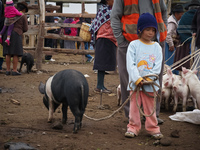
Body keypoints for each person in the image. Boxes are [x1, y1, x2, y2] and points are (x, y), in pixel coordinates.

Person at [110, 0, 167, 124]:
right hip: (129, 42)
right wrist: (121, 40)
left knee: (154, 78)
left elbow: (163, 11)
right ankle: (131, 116)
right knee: (129, 78)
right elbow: (114, 16)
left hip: (154, 43)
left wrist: (163, 31)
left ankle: (152, 115)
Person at [125, 13, 163, 139]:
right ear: (140, 30)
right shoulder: (133, 45)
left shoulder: (157, 47)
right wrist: (137, 79)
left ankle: (153, 128)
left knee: (149, 107)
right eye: (147, 29)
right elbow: (131, 64)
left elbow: (157, 65)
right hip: (136, 84)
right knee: (134, 107)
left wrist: (149, 79)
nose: (151, 33)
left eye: (153, 30)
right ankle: (133, 127)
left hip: (149, 85)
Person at [89, 0, 116, 93]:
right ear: (107, 1)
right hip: (104, 38)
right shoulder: (105, 10)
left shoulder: (111, 10)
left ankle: (101, 86)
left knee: (103, 63)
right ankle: (99, 86)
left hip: (108, 39)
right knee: (101, 64)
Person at [2, 1, 28, 76]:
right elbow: (25, 28)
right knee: (16, 53)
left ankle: (7, 70)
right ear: (24, 9)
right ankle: (14, 70)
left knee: (8, 53)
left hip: (7, 35)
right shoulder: (22, 16)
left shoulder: (9, 14)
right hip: (17, 35)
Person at [174, 0, 200, 72]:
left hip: (184, 44)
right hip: (197, 44)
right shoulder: (197, 15)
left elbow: (179, 30)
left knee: (185, 66)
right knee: (196, 66)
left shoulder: (185, 16)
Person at [165, 4, 184, 74]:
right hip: (169, 44)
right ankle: (170, 75)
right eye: (181, 14)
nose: (181, 16)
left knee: (173, 60)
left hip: (172, 43)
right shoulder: (171, 22)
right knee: (170, 61)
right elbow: (168, 34)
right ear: (176, 13)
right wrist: (171, 45)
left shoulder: (174, 20)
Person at [192, 3, 200, 79]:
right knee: (197, 64)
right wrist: (194, 31)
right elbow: (194, 23)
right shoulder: (198, 11)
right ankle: (197, 80)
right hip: (199, 41)